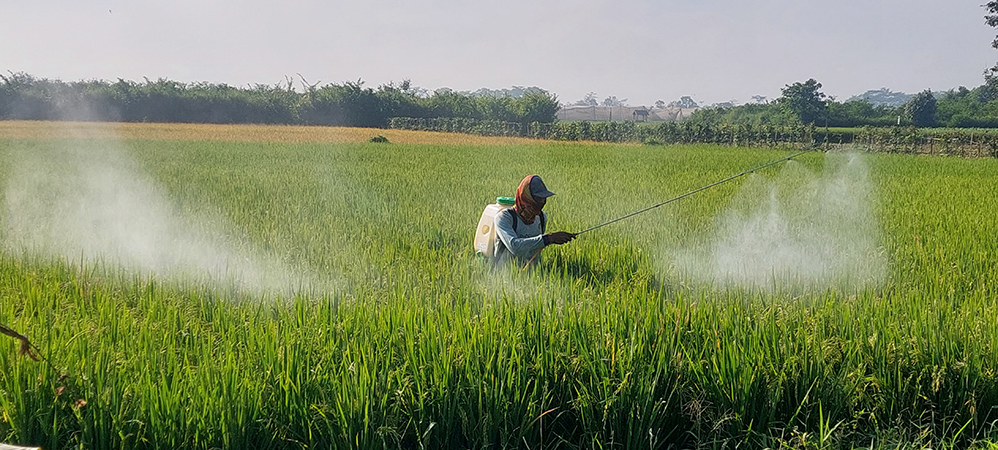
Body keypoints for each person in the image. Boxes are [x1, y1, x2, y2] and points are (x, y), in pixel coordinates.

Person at [494, 175, 575, 265]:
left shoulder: (541, 217)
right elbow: (515, 247)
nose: (541, 203)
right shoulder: (504, 218)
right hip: (503, 276)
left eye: (543, 199)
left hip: (533, 275)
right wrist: (549, 238)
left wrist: (554, 239)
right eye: (537, 199)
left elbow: (538, 245)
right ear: (525, 197)